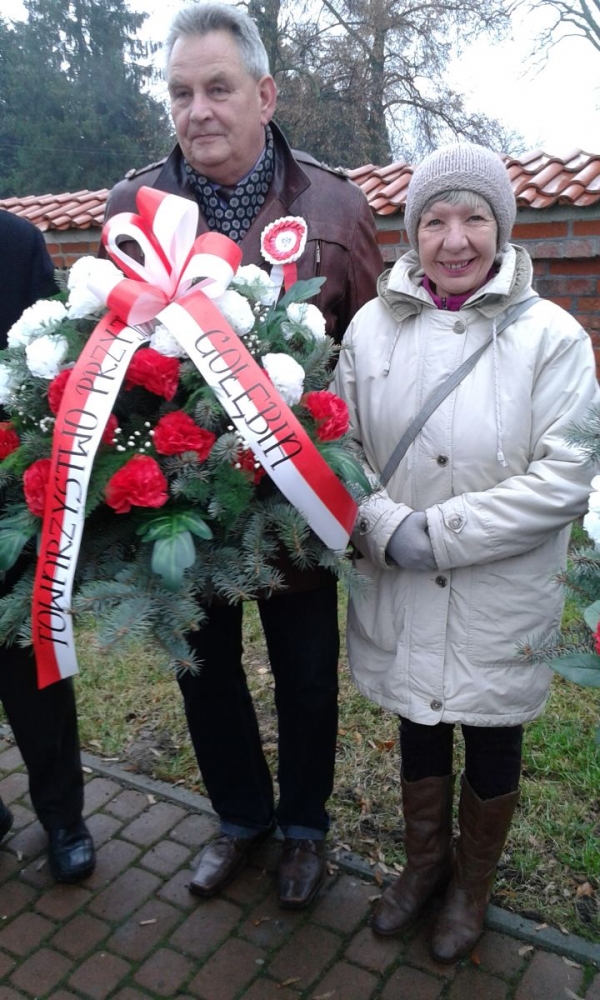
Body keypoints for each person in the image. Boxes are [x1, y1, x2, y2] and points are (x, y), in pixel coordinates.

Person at [102, 1, 383, 909]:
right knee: (205, 674)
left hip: (294, 509)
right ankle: (239, 819)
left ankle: (303, 828)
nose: (199, 110)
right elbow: (105, 360)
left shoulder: (336, 208)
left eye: (218, 88)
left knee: (305, 674)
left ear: (265, 94)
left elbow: (371, 365)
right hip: (181, 505)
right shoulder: (132, 208)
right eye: (181, 92)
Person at [331, 142, 600, 962]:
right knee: (418, 716)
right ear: (412, 233)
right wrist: (381, 525)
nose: (455, 239)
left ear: (502, 226)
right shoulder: (371, 329)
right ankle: (423, 868)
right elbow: (339, 446)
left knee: (489, 727)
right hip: (400, 578)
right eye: (435, 219)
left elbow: (566, 477)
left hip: (500, 590)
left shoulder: (552, 337)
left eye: (474, 217)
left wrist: (434, 534)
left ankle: (471, 889)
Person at [0, 210, 95, 883]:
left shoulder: (16, 244)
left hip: (6, 500)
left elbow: (43, 372)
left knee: (32, 671)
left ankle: (62, 814)